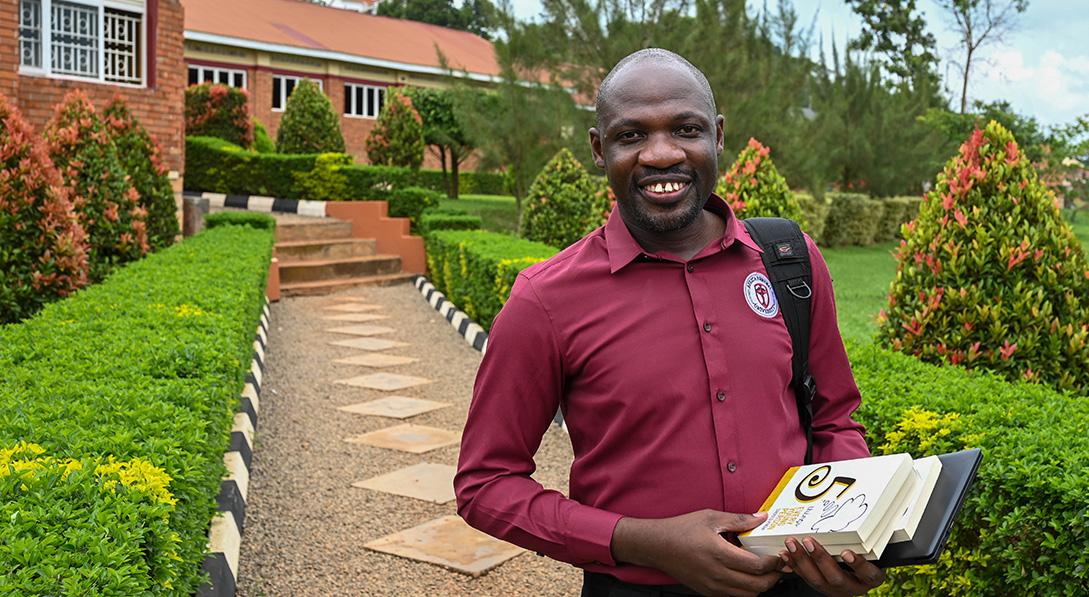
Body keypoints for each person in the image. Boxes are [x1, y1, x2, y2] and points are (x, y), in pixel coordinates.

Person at [454, 48, 887, 597]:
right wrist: (642, 540)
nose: (661, 155)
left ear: (718, 135)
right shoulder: (546, 300)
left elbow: (833, 421)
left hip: (796, 581)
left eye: (686, 128)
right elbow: (485, 486)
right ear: (598, 148)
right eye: (631, 136)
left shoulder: (789, 260)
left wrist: (851, 537)